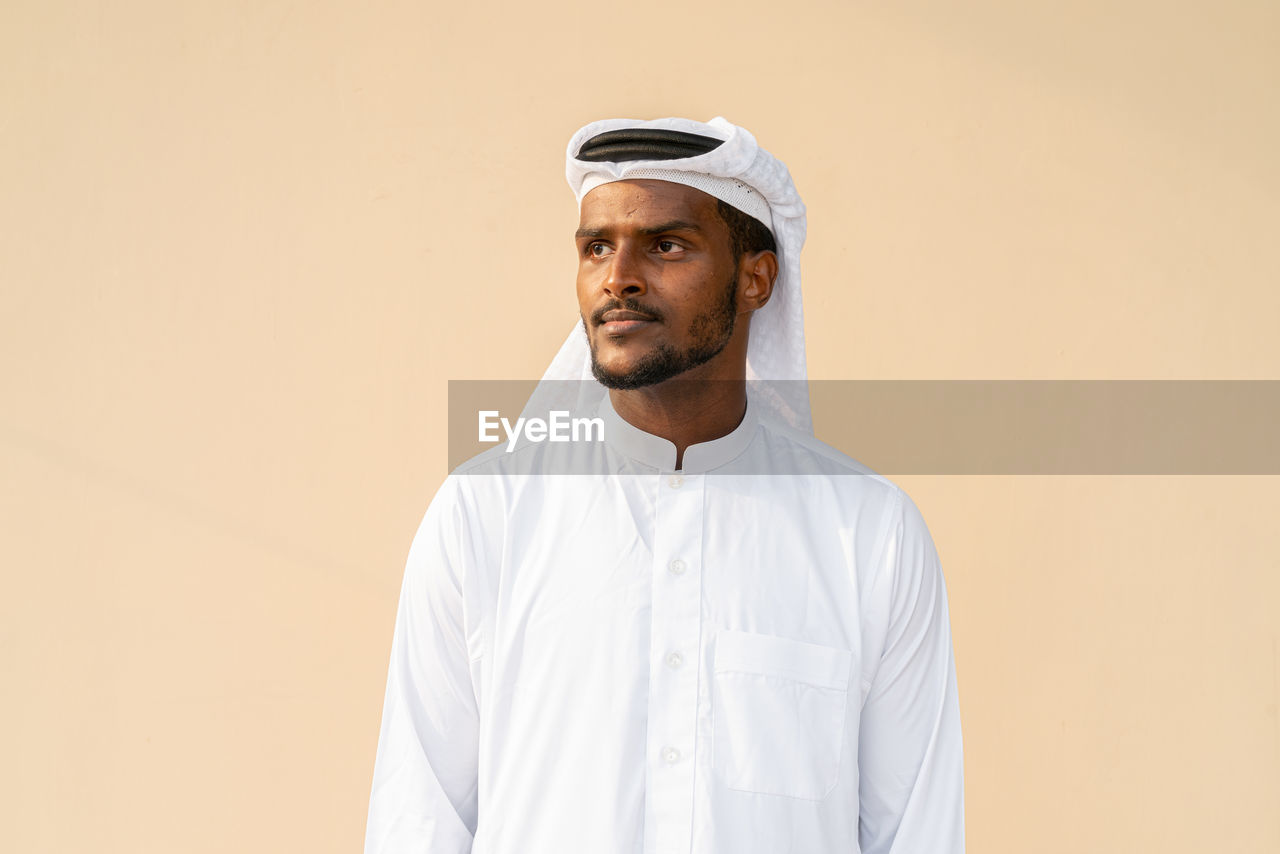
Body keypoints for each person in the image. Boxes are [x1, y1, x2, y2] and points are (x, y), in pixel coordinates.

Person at [364, 117, 964, 854]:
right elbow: (417, 818)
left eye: (666, 244)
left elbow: (918, 831)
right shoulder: (485, 512)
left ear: (755, 278)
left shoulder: (867, 532)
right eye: (596, 248)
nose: (618, 277)